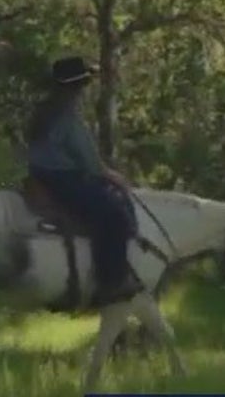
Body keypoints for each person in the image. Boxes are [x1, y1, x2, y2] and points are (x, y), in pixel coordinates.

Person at [25, 56, 141, 307]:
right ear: (79, 86)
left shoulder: (43, 111)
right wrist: (113, 175)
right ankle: (111, 282)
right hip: (63, 179)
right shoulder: (68, 115)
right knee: (113, 215)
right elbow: (88, 158)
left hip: (40, 175)